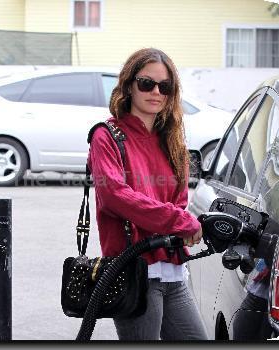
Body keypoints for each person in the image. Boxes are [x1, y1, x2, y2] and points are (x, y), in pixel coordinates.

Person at [88, 48, 208, 340]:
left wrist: (177, 221)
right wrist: (179, 222)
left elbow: (179, 201)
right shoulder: (106, 135)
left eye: (164, 87)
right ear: (129, 85)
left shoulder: (172, 139)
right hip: (135, 272)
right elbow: (116, 196)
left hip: (174, 271)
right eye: (146, 83)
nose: (156, 92)